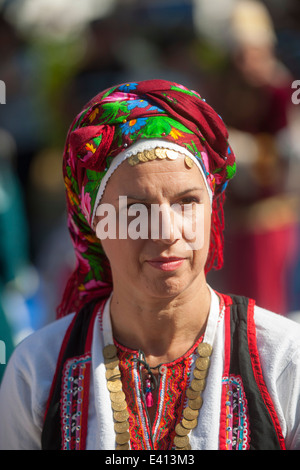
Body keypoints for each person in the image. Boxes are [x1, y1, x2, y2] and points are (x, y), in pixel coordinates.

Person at [0, 80, 299, 451]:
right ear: (94, 221)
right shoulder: (37, 372)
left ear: (212, 210)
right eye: (135, 209)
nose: (165, 232)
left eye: (187, 202)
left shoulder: (284, 360)